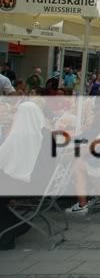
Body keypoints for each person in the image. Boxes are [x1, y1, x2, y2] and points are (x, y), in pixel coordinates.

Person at [0, 102, 54, 249]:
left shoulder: (19, 135)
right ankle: (16, 225)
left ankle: (8, 233)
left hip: (27, 185)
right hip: (44, 185)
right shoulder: (47, 134)